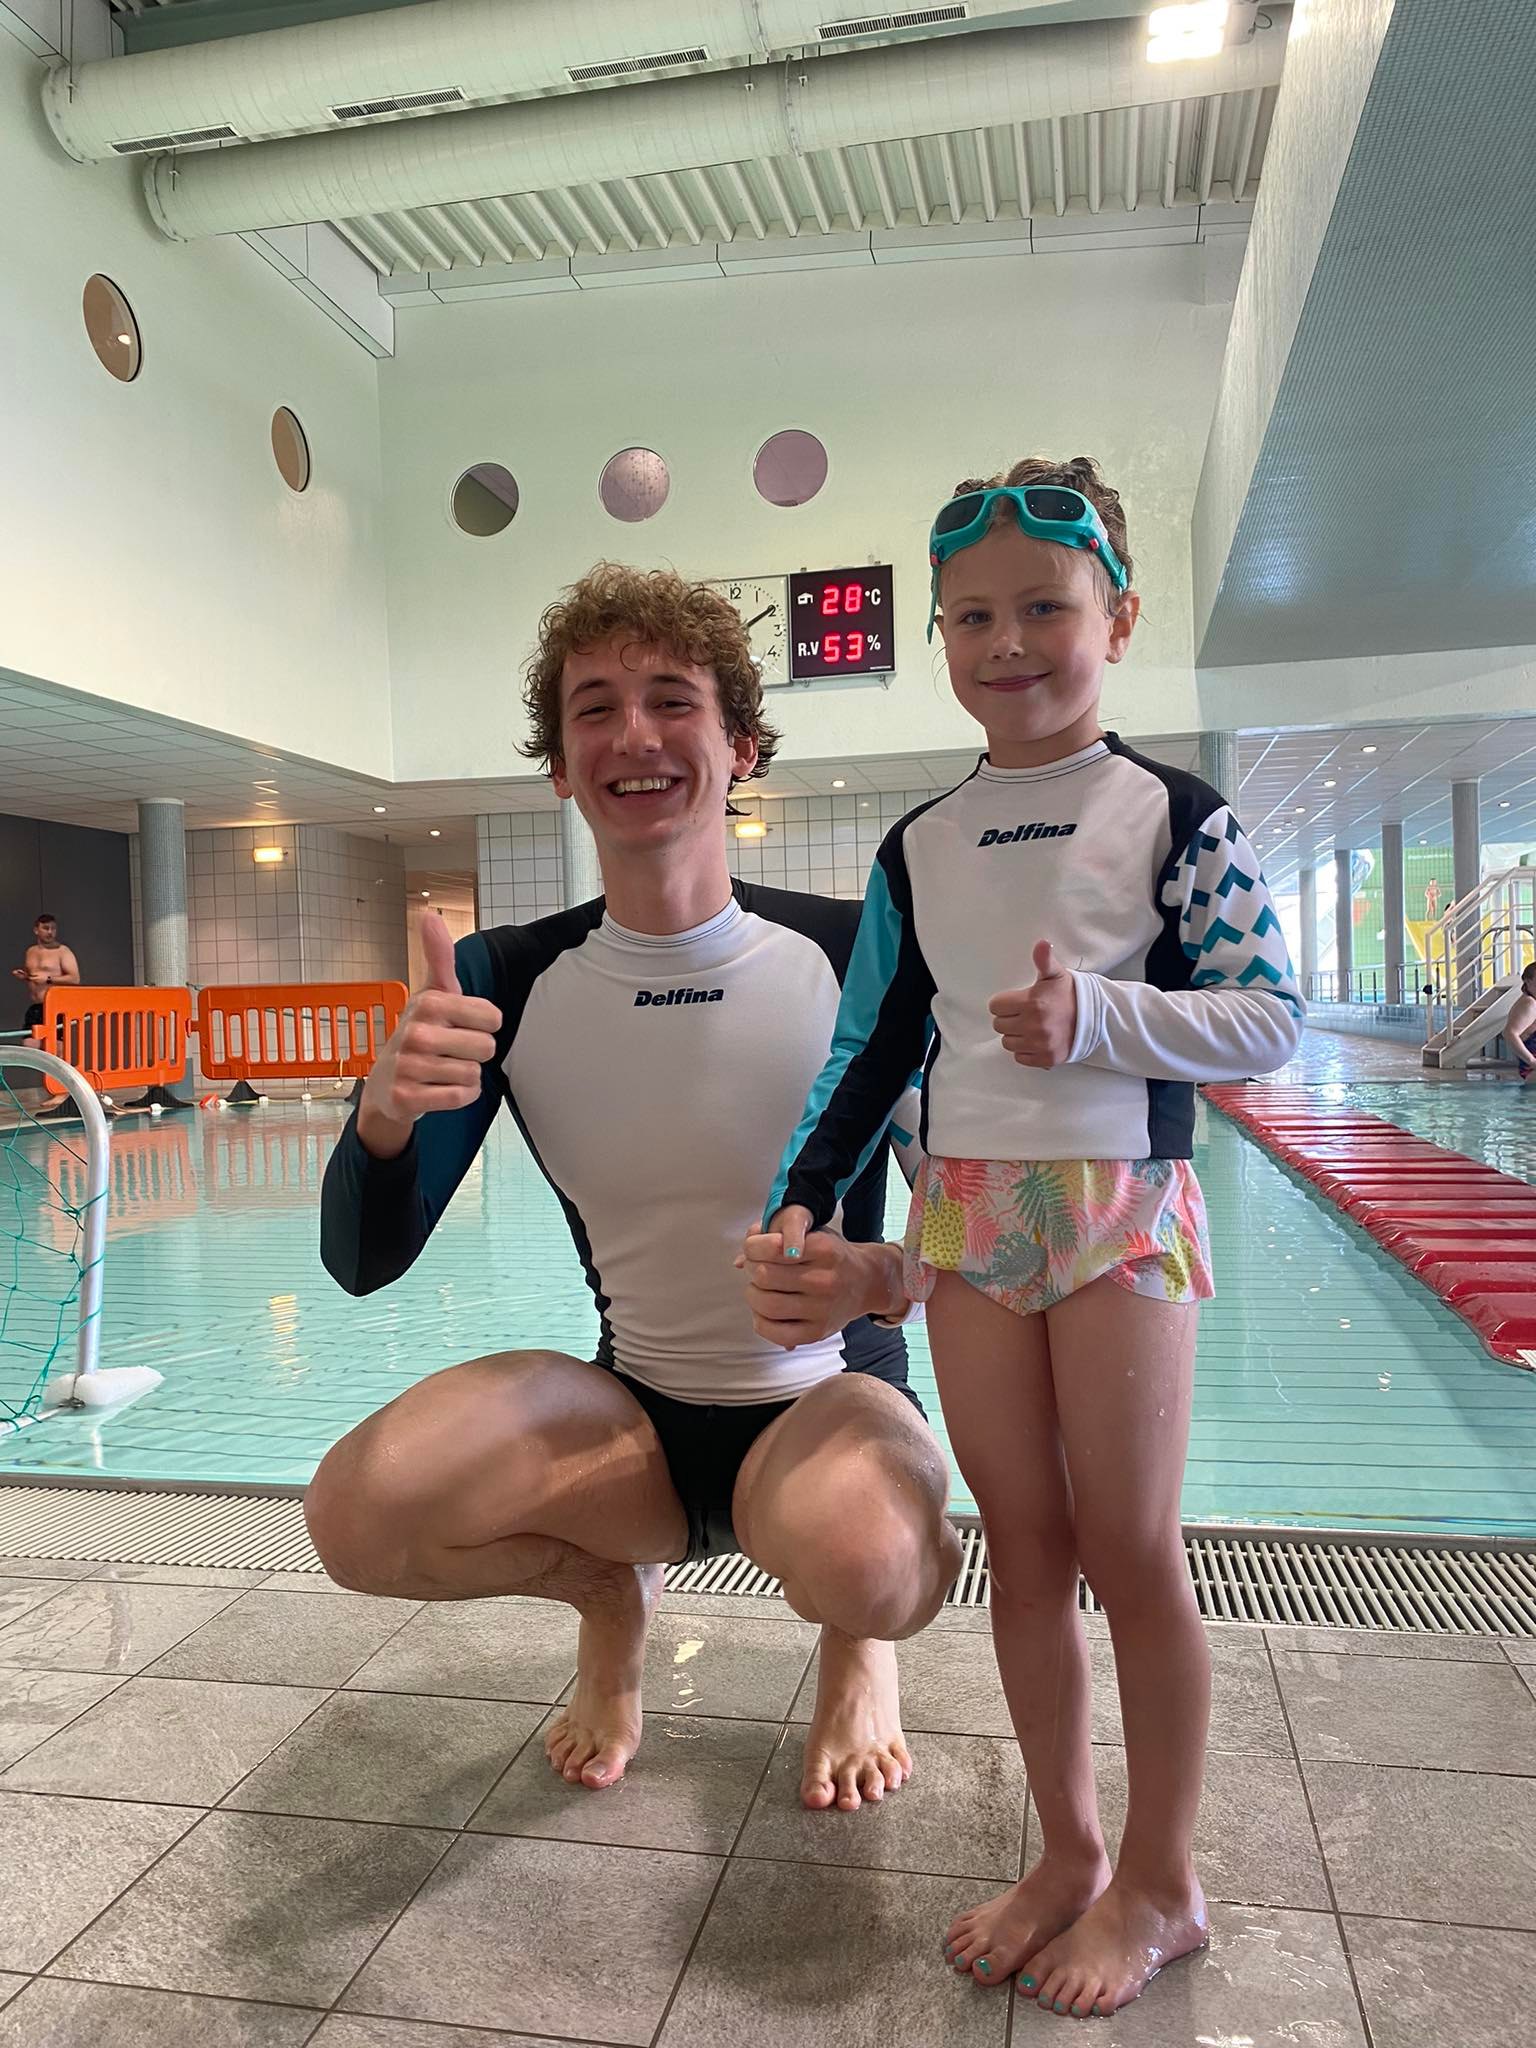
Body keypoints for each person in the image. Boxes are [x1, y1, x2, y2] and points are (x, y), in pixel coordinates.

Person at [751, 458, 1303, 2017]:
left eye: (1045, 608)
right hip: (971, 1214)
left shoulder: (1175, 815)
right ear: (941, 635)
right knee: (1029, 1545)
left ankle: (1163, 1882)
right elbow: (870, 1046)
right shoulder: (921, 844)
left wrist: (1104, 1018)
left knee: (1131, 1549)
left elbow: (1272, 1015)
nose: (1009, 642)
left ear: (1115, 618)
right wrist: (801, 1199)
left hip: (1120, 1205)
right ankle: (1069, 1854)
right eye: (973, 616)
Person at [307, 563, 961, 1813]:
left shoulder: (855, 954)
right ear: (560, 764)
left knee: (878, 1564)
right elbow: (362, 1260)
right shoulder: (508, 975)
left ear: (741, 746)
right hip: (632, 1422)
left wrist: (884, 1273)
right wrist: (383, 1112)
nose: (635, 735)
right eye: (595, 707)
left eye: (673, 699)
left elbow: (981, 1221)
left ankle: (856, 1640)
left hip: (830, 1401)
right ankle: (610, 1593)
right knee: (358, 1513)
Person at [12, 913, 79, 1026]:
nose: (50, 932)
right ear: (36, 930)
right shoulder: (31, 951)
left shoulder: (62, 951)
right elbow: (35, 977)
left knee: (54, 1038)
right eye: (46, 928)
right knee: (30, 1037)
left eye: (53, 928)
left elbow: (75, 979)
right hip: (37, 1007)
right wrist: (25, 976)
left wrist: (48, 979)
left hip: (56, 1007)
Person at [1507, 961, 1536, 1080]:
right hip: (1532, 1071)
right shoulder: (1529, 1003)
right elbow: (1509, 1033)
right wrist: (1532, 1061)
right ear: (1528, 981)